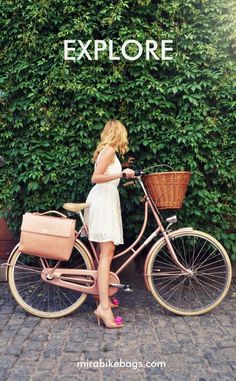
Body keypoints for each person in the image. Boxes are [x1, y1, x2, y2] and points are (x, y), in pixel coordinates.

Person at [84, 119, 135, 328]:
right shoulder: (109, 151)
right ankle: (103, 308)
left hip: (105, 200)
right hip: (102, 202)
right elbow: (95, 178)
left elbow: (107, 175)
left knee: (104, 253)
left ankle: (101, 299)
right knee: (107, 253)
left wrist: (123, 172)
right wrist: (120, 173)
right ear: (117, 133)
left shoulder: (109, 152)